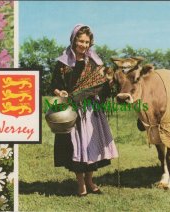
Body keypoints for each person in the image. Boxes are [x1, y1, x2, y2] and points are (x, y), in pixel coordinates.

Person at [49, 24, 118, 197]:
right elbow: (55, 85)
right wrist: (61, 92)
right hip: (72, 109)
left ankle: (90, 180)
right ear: (73, 40)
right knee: (77, 148)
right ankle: (81, 184)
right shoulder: (63, 62)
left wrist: (108, 84)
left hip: (91, 110)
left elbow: (101, 85)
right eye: (81, 41)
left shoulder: (95, 62)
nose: (84, 45)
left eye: (87, 42)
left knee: (91, 147)